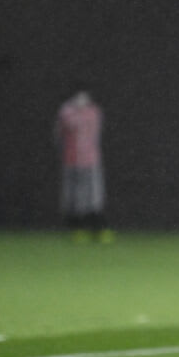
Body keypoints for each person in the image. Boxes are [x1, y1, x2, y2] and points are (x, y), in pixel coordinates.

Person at [55, 86, 112, 243]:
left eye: (84, 96)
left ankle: (99, 229)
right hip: (72, 161)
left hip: (91, 161)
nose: (82, 100)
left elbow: (92, 129)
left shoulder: (93, 111)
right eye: (79, 96)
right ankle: (77, 230)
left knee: (94, 197)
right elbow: (65, 128)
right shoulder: (66, 111)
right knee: (73, 198)